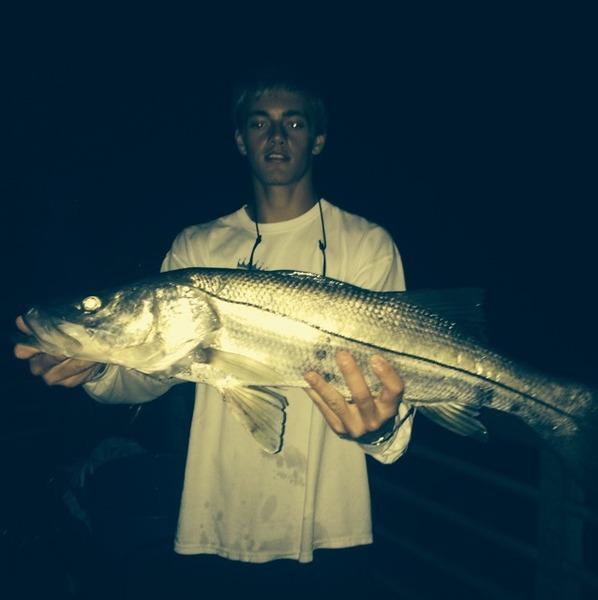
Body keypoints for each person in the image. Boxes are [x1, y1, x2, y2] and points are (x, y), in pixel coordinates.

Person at [14, 64, 415, 597]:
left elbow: (397, 389)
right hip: (215, 520)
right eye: (260, 123)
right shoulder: (197, 246)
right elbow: (152, 372)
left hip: (331, 526)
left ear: (318, 140)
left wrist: (380, 432)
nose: (277, 136)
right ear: (241, 139)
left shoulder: (367, 244)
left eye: (294, 123)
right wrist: (97, 370)